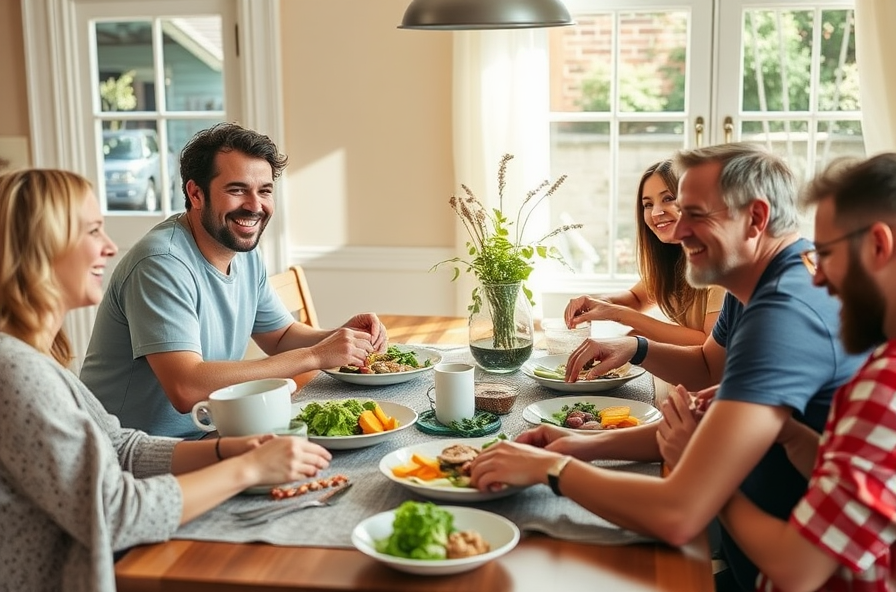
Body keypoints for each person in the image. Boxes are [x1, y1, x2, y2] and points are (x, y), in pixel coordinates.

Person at [469, 142, 866, 592]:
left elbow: (679, 514)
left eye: (694, 214)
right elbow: (703, 370)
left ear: (755, 219)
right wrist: (576, 444)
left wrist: (550, 471)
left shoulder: (785, 312)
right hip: (746, 560)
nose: (676, 232)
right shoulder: (756, 280)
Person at [0, 169, 333, 592]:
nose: (108, 246)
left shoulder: (34, 359)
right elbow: (115, 513)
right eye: (92, 231)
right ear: (39, 248)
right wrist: (247, 469)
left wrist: (227, 450)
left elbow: (118, 445)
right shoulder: (15, 370)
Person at [81, 123, 387, 438]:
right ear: (196, 193)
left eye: (264, 191)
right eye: (237, 189)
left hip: (209, 434)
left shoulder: (241, 252)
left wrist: (339, 336)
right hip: (130, 455)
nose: (255, 206)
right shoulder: (161, 263)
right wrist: (314, 356)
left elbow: (280, 337)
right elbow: (186, 387)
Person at [717, 153, 896, 592]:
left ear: (877, 245)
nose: (816, 278)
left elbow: (796, 570)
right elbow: (868, 493)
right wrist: (795, 436)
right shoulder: (882, 359)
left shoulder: (883, 386)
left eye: (826, 254)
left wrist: (713, 489)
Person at [564, 160, 725, 346]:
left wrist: (620, 315)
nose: (656, 212)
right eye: (648, 204)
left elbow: (711, 343)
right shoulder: (676, 255)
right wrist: (595, 302)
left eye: (668, 198)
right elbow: (637, 299)